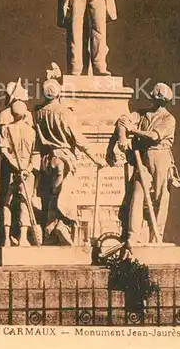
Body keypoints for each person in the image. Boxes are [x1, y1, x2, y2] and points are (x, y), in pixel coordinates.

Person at [34, 74, 107, 245]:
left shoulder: (38, 113)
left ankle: (50, 229)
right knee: (64, 195)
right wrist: (96, 158)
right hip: (64, 159)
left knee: (52, 194)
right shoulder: (64, 113)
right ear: (59, 94)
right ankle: (62, 226)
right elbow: (79, 139)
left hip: (46, 159)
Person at [116, 83, 180, 253]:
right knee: (137, 194)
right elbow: (123, 120)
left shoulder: (168, 119)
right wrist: (122, 137)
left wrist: (134, 131)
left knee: (160, 198)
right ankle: (132, 235)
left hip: (161, 158)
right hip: (144, 159)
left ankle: (156, 235)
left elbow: (154, 136)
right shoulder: (142, 114)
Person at [0, 78, 34, 243]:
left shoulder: (5, 115)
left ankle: (6, 235)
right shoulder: (25, 114)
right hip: (23, 165)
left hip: (10, 164)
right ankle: (14, 235)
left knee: (8, 198)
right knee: (19, 199)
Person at [0, 100, 38, 247]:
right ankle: (23, 238)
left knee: (7, 203)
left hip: (11, 171)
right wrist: (27, 169)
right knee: (24, 202)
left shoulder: (6, 129)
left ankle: (7, 238)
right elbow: (36, 154)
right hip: (26, 172)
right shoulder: (32, 132)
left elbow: (3, 151)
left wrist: (16, 167)